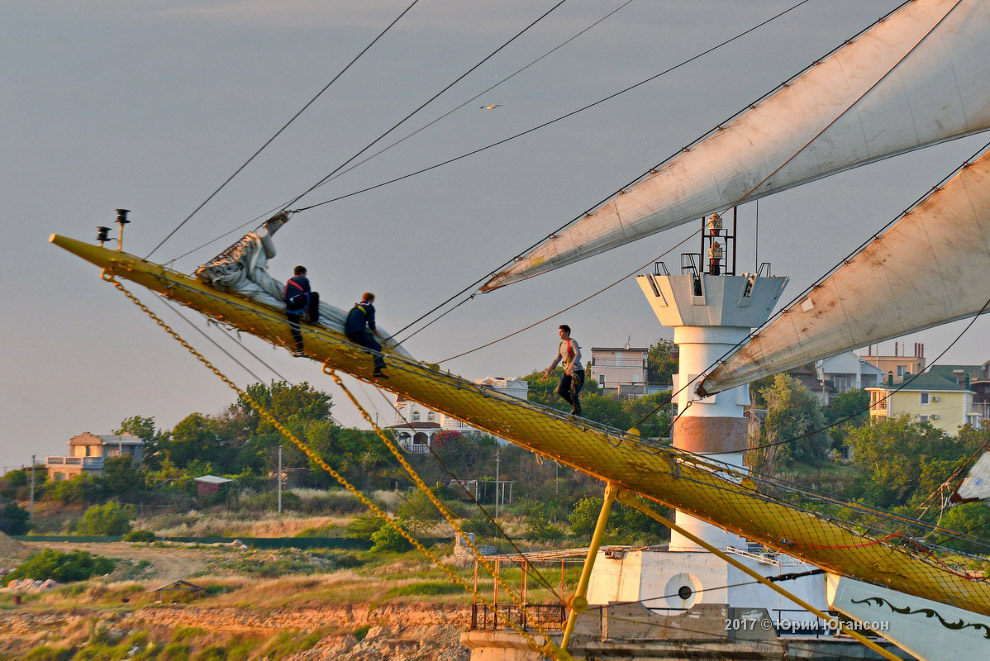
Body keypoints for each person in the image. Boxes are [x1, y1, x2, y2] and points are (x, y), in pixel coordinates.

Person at [542, 324, 585, 416]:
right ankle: (575, 406)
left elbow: (578, 355)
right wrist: (548, 372)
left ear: (567, 332)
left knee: (573, 394)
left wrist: (571, 367)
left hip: (577, 372)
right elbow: (557, 359)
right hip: (568, 373)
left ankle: (578, 412)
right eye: (559, 333)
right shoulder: (561, 345)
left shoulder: (572, 342)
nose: (560, 334)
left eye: (561, 332)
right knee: (560, 390)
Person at [345, 292, 387, 377]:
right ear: (371, 300)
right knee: (376, 347)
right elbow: (371, 323)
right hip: (357, 332)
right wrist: (376, 331)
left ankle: (366, 350)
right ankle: (377, 370)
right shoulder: (369, 307)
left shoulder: (355, 307)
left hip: (348, 332)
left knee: (369, 337)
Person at [284, 265, 320, 356]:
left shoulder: (289, 281)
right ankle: (314, 320)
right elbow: (307, 294)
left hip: (290, 307)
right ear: (302, 273)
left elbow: (285, 296)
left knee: (295, 327)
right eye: (305, 273)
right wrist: (308, 314)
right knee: (315, 295)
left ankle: (300, 349)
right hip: (300, 303)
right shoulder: (304, 280)